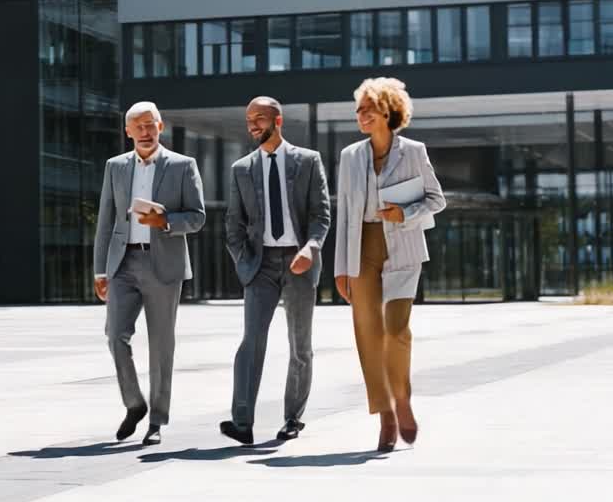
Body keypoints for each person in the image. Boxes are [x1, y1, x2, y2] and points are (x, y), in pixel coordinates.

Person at [334, 77, 446, 452]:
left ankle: (402, 398)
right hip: (361, 248)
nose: (361, 115)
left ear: (387, 110)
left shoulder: (413, 151)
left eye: (368, 108)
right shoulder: (350, 156)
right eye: (358, 109)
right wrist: (340, 268)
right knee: (369, 335)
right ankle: (385, 417)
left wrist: (406, 212)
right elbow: (345, 213)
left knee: (396, 329)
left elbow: (436, 199)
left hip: (403, 246)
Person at [219, 97, 330, 446]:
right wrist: (243, 261)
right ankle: (242, 423)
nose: (253, 125)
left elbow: (320, 216)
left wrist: (310, 248)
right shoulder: (241, 169)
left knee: (300, 346)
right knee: (251, 343)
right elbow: (233, 224)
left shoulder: (308, 161)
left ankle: (292, 418)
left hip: (299, 262)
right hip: (260, 265)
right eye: (249, 119)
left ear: (277, 121)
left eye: (260, 118)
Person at [93, 101, 206, 446]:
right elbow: (106, 220)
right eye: (137, 126)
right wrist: (100, 270)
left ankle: (157, 420)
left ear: (161, 127)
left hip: (163, 264)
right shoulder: (114, 167)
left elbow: (198, 217)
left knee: (161, 345)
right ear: (127, 131)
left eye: (149, 125)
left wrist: (167, 221)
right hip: (123, 264)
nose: (144, 131)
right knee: (115, 334)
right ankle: (134, 403)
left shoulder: (183, 166)